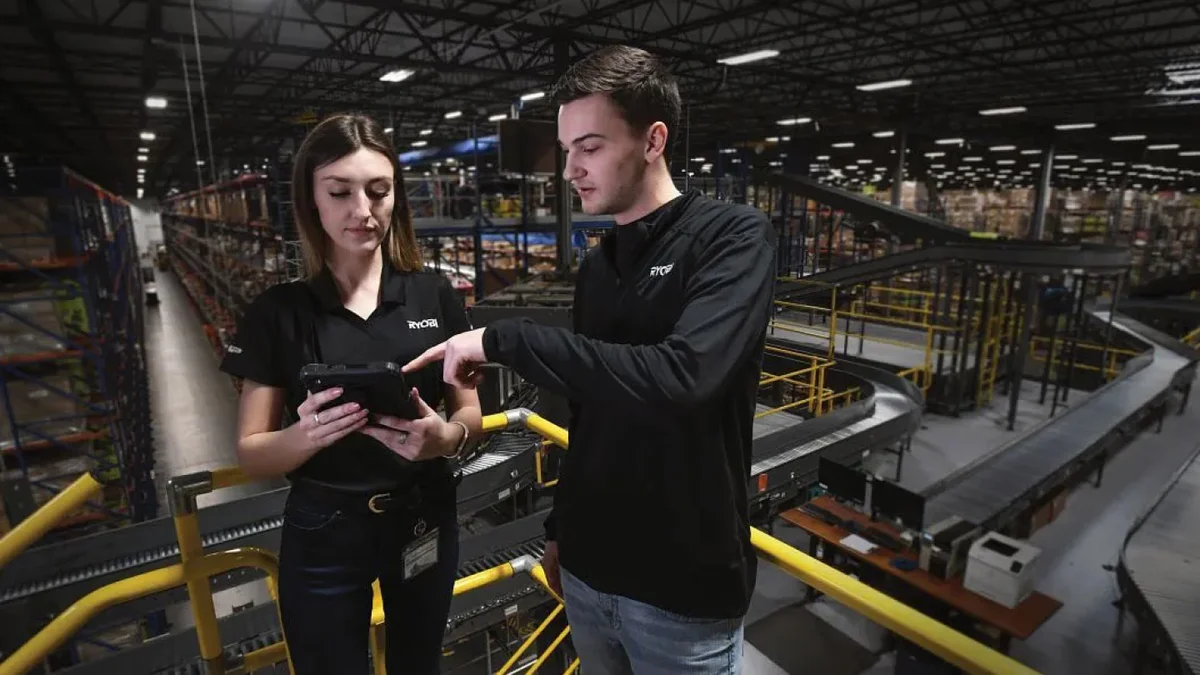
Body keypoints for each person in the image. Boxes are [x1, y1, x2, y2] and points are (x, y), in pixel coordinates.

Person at [404, 46, 777, 674]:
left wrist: (504, 340)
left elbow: (683, 378)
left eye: (591, 147)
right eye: (566, 148)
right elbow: (591, 417)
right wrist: (560, 529)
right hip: (587, 573)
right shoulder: (599, 269)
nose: (570, 169)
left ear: (653, 140)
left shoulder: (732, 238)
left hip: (680, 592)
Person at [219, 113, 482, 675]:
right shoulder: (278, 313)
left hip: (423, 514)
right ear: (311, 200)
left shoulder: (434, 295)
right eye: (340, 192)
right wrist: (306, 435)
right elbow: (251, 453)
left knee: (419, 666)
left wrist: (446, 439)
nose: (363, 210)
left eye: (378, 191)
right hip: (325, 528)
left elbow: (470, 415)